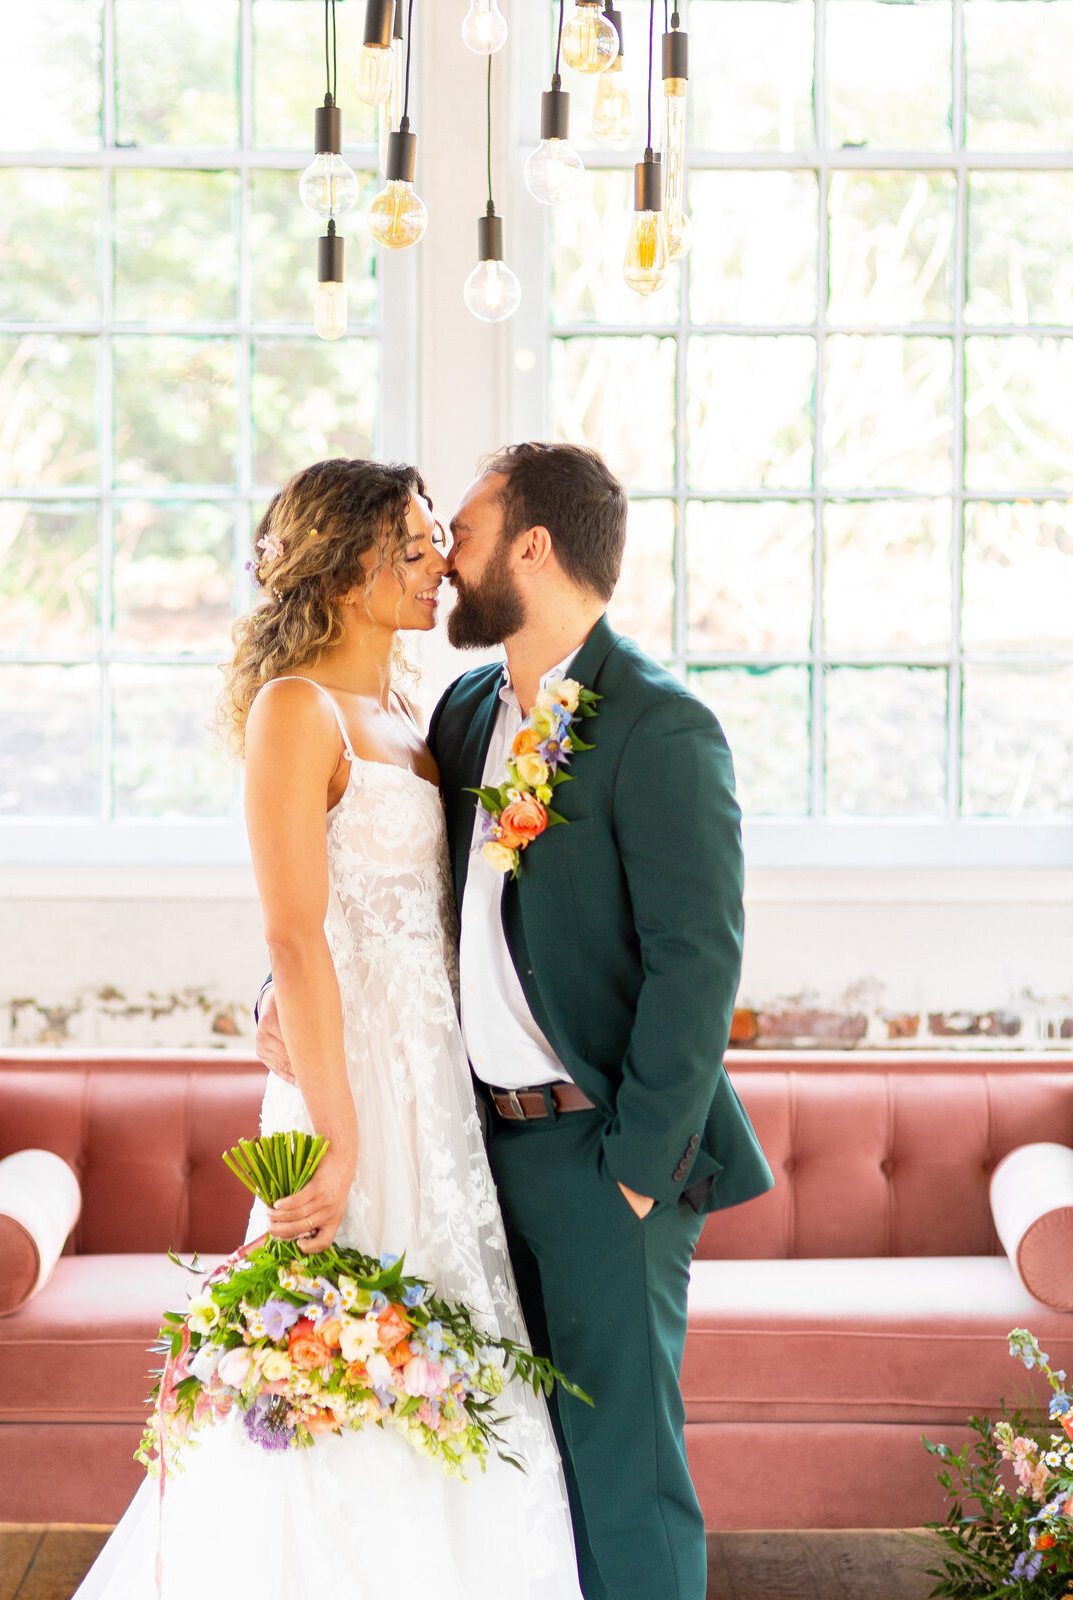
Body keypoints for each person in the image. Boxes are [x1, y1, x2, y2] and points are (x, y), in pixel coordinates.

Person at [257, 442, 775, 1600]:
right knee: (518, 1472)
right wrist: (269, 995)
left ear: (532, 549)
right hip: (466, 1153)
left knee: (625, 1481)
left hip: (603, 1158)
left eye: (468, 531)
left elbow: (702, 964)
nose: (445, 558)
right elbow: (367, 890)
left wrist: (637, 1172)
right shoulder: (463, 708)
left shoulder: (661, 726)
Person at [73, 458, 582, 1600]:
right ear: (352, 565)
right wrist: (338, 1134)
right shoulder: (293, 709)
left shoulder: (411, 713)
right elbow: (299, 933)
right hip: (348, 1083)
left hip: (434, 1085)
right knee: (340, 1354)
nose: (439, 561)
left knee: (446, 1338)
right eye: (413, 544)